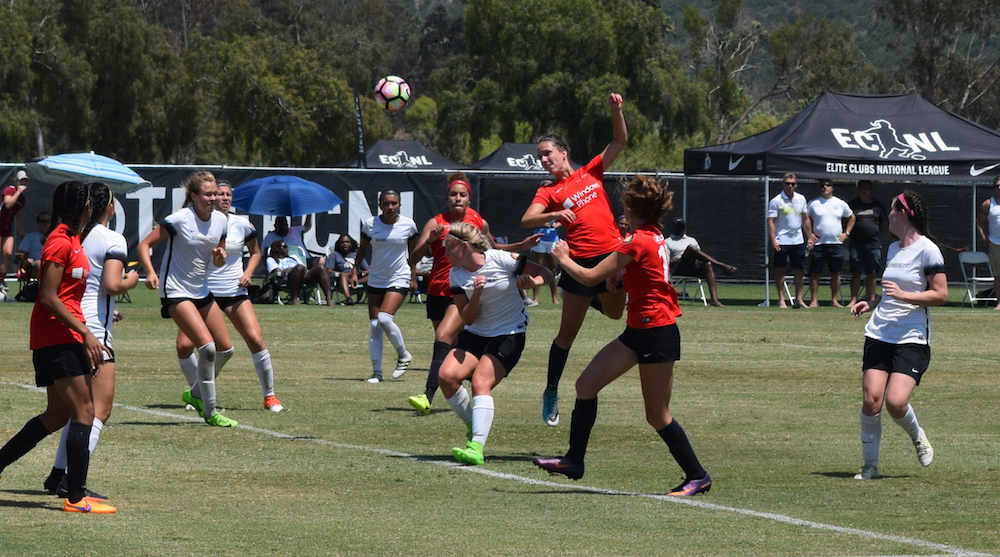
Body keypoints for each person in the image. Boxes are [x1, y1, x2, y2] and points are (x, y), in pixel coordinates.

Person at [532, 175, 711, 497]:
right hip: (638, 330)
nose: (621, 210)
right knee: (585, 385)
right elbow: (646, 271)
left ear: (634, 208)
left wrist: (562, 258)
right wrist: (622, 276)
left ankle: (697, 475)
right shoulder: (652, 235)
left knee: (657, 415)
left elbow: (588, 277)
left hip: (657, 333)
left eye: (625, 205)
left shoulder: (637, 240)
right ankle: (574, 460)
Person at [0, 180, 118, 513]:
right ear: (87, 208)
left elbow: (61, 287)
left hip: (64, 334)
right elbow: (50, 298)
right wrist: (88, 333)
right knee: (85, 412)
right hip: (57, 336)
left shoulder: (71, 239)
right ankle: (76, 497)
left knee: (57, 415)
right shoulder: (60, 240)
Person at [520, 92, 628, 427]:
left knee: (615, 314)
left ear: (563, 153)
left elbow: (620, 140)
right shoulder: (548, 191)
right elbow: (527, 220)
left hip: (610, 257)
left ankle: (595, 292)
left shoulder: (591, 172)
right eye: (539, 157)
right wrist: (554, 212)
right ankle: (551, 390)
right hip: (578, 262)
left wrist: (616, 111)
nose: (543, 159)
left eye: (547, 153)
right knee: (567, 336)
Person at [405, 174, 539, 414]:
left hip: (465, 291)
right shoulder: (435, 222)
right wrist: (429, 242)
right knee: (454, 345)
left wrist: (521, 246)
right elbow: (413, 258)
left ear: (469, 198)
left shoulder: (479, 222)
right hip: (439, 289)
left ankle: (428, 395)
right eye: (453, 194)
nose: (457, 198)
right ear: (446, 198)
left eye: (462, 194)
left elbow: (494, 251)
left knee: (443, 336)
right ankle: (469, 388)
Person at [42, 183, 139, 499]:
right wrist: (132, 280)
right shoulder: (112, 239)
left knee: (75, 411)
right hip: (92, 332)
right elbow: (112, 284)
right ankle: (71, 481)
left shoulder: (75, 236)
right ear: (109, 208)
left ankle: (58, 474)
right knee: (98, 410)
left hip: (69, 325)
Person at [850, 191, 946, 480]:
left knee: (895, 402)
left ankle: (918, 436)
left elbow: (941, 294)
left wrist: (906, 296)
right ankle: (870, 466)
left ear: (902, 213)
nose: (887, 215)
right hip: (880, 333)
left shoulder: (928, 250)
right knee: (872, 400)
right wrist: (872, 302)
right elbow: (887, 291)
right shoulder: (892, 249)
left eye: (891, 210)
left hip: (911, 337)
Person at [438, 222, 552, 465]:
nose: (445, 254)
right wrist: (477, 294)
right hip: (477, 332)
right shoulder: (456, 274)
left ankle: (476, 447)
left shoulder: (501, 259)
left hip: (509, 333)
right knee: (446, 377)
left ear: (465, 246)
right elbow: (467, 318)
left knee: (481, 381)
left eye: (449, 248)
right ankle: (474, 425)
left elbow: (547, 274)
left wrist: (533, 283)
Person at [138, 171, 238, 427]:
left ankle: (194, 393)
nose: (213, 198)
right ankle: (210, 410)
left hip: (201, 291)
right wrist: (150, 272)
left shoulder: (221, 221)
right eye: (207, 194)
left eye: (216, 193)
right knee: (207, 347)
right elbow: (144, 245)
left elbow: (218, 258)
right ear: (193, 196)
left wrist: (220, 257)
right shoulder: (179, 219)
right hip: (176, 291)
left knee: (226, 349)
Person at [176, 182, 284, 413]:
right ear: (210, 198)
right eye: (218, 194)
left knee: (256, 340)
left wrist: (248, 274)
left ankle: (270, 396)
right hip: (203, 293)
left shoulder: (242, 224)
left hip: (234, 292)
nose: (223, 198)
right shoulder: (198, 223)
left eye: (227, 194)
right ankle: (199, 392)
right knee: (184, 346)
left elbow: (256, 253)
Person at [349, 189, 418, 383]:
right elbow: (361, 250)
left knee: (385, 319)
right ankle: (376, 372)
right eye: (386, 203)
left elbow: (413, 254)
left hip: (399, 277)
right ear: (380, 205)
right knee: (374, 325)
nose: (390, 207)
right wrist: (355, 271)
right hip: (377, 278)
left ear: (399, 204)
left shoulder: (408, 226)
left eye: (394, 203)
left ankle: (403, 355)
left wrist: (413, 277)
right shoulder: (370, 225)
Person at [664, 218, 736, 307]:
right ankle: (721, 265)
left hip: (694, 267)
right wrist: (682, 258)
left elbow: (700, 256)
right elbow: (666, 262)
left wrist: (691, 255)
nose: (680, 229)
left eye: (682, 227)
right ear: (673, 228)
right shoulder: (667, 242)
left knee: (708, 264)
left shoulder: (691, 240)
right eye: (677, 227)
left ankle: (714, 300)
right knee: (691, 248)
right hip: (679, 268)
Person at [806, 179, 855, 308]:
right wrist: (810, 233)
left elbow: (852, 218)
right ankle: (814, 301)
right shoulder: (813, 204)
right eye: (822, 186)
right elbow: (805, 218)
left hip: (836, 244)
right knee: (815, 272)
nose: (825, 188)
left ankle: (834, 300)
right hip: (819, 244)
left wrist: (846, 233)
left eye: (827, 185)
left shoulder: (840, 203)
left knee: (835, 273)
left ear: (832, 187)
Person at [768, 173, 812, 309]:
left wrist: (809, 236)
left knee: (799, 270)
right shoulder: (776, 201)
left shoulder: (801, 199)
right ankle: (781, 299)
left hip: (797, 240)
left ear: (796, 184)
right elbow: (771, 222)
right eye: (787, 184)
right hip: (782, 240)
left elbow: (805, 219)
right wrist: (773, 240)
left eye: (793, 184)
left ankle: (798, 299)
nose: (790, 186)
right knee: (780, 269)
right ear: (783, 184)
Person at [848, 180, 888, 307]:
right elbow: (846, 221)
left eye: (866, 188)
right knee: (856, 273)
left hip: (873, 245)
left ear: (871, 190)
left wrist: (873, 231)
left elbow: (883, 223)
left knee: (871, 273)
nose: (863, 190)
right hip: (856, 244)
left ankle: (871, 299)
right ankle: (853, 300)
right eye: (861, 188)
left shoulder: (878, 206)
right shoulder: (852, 205)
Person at [266, 239, 334, 306]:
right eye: (285, 247)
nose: (287, 249)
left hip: (302, 275)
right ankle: (294, 299)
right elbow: (278, 272)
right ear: (277, 249)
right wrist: (293, 269)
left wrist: (292, 269)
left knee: (320, 267)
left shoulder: (293, 257)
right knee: (298, 268)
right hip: (287, 278)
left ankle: (329, 299)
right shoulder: (271, 259)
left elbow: (304, 268)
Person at [1, 170, 29, 296]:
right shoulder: (9, 190)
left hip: (7, 228)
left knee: (8, 253)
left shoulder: (22, 199)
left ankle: (1, 280)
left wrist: (23, 233)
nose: (23, 183)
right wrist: (18, 192)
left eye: (25, 181)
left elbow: (19, 217)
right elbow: (7, 204)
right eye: (21, 180)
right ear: (16, 181)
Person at [975, 175, 1000, 310]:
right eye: (997, 186)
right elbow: (979, 222)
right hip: (995, 243)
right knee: (998, 275)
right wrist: (985, 238)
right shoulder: (988, 204)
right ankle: (999, 303)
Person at [326, 234, 368, 305]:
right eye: (342, 242)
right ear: (339, 244)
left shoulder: (356, 255)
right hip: (344, 279)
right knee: (343, 275)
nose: (345, 244)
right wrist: (343, 274)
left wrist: (361, 273)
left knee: (374, 275)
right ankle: (349, 299)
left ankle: (376, 298)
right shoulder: (335, 255)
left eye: (347, 242)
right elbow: (329, 270)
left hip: (358, 278)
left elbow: (368, 269)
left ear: (351, 244)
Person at [529, 217, 561, 306]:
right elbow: (530, 221)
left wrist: (556, 225)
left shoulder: (557, 208)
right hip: (540, 239)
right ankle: (535, 299)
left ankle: (555, 298)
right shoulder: (539, 209)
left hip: (553, 240)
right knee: (538, 268)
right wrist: (542, 222)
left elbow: (563, 220)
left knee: (553, 269)